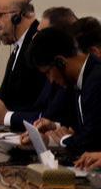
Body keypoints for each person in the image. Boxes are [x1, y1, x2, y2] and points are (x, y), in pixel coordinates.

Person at [0, 6, 77, 129]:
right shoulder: (50, 67)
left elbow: (48, 117)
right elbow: (39, 111)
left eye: (40, 33)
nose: (35, 37)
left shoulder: (64, 73)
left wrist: (6, 116)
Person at [23, 26, 101, 164]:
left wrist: (63, 140)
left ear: (60, 61)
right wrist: (55, 128)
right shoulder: (81, 80)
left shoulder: (96, 80)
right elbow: (81, 128)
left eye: (48, 73)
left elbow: (91, 141)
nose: (51, 81)